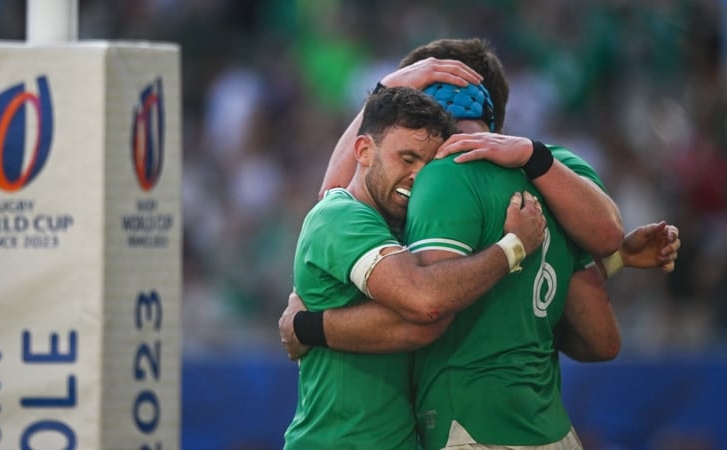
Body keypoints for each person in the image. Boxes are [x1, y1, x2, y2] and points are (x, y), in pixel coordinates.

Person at [281, 38, 681, 449]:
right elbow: (603, 338)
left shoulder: (440, 182)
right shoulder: (561, 174)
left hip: (467, 429)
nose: (418, 170)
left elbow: (425, 305)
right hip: (551, 430)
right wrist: (614, 260)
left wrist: (306, 326)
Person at [283, 86, 549, 450]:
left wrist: (306, 326)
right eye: (406, 159)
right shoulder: (341, 217)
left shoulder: (398, 227)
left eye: (427, 166)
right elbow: (425, 305)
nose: (417, 176)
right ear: (363, 151)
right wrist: (513, 247)